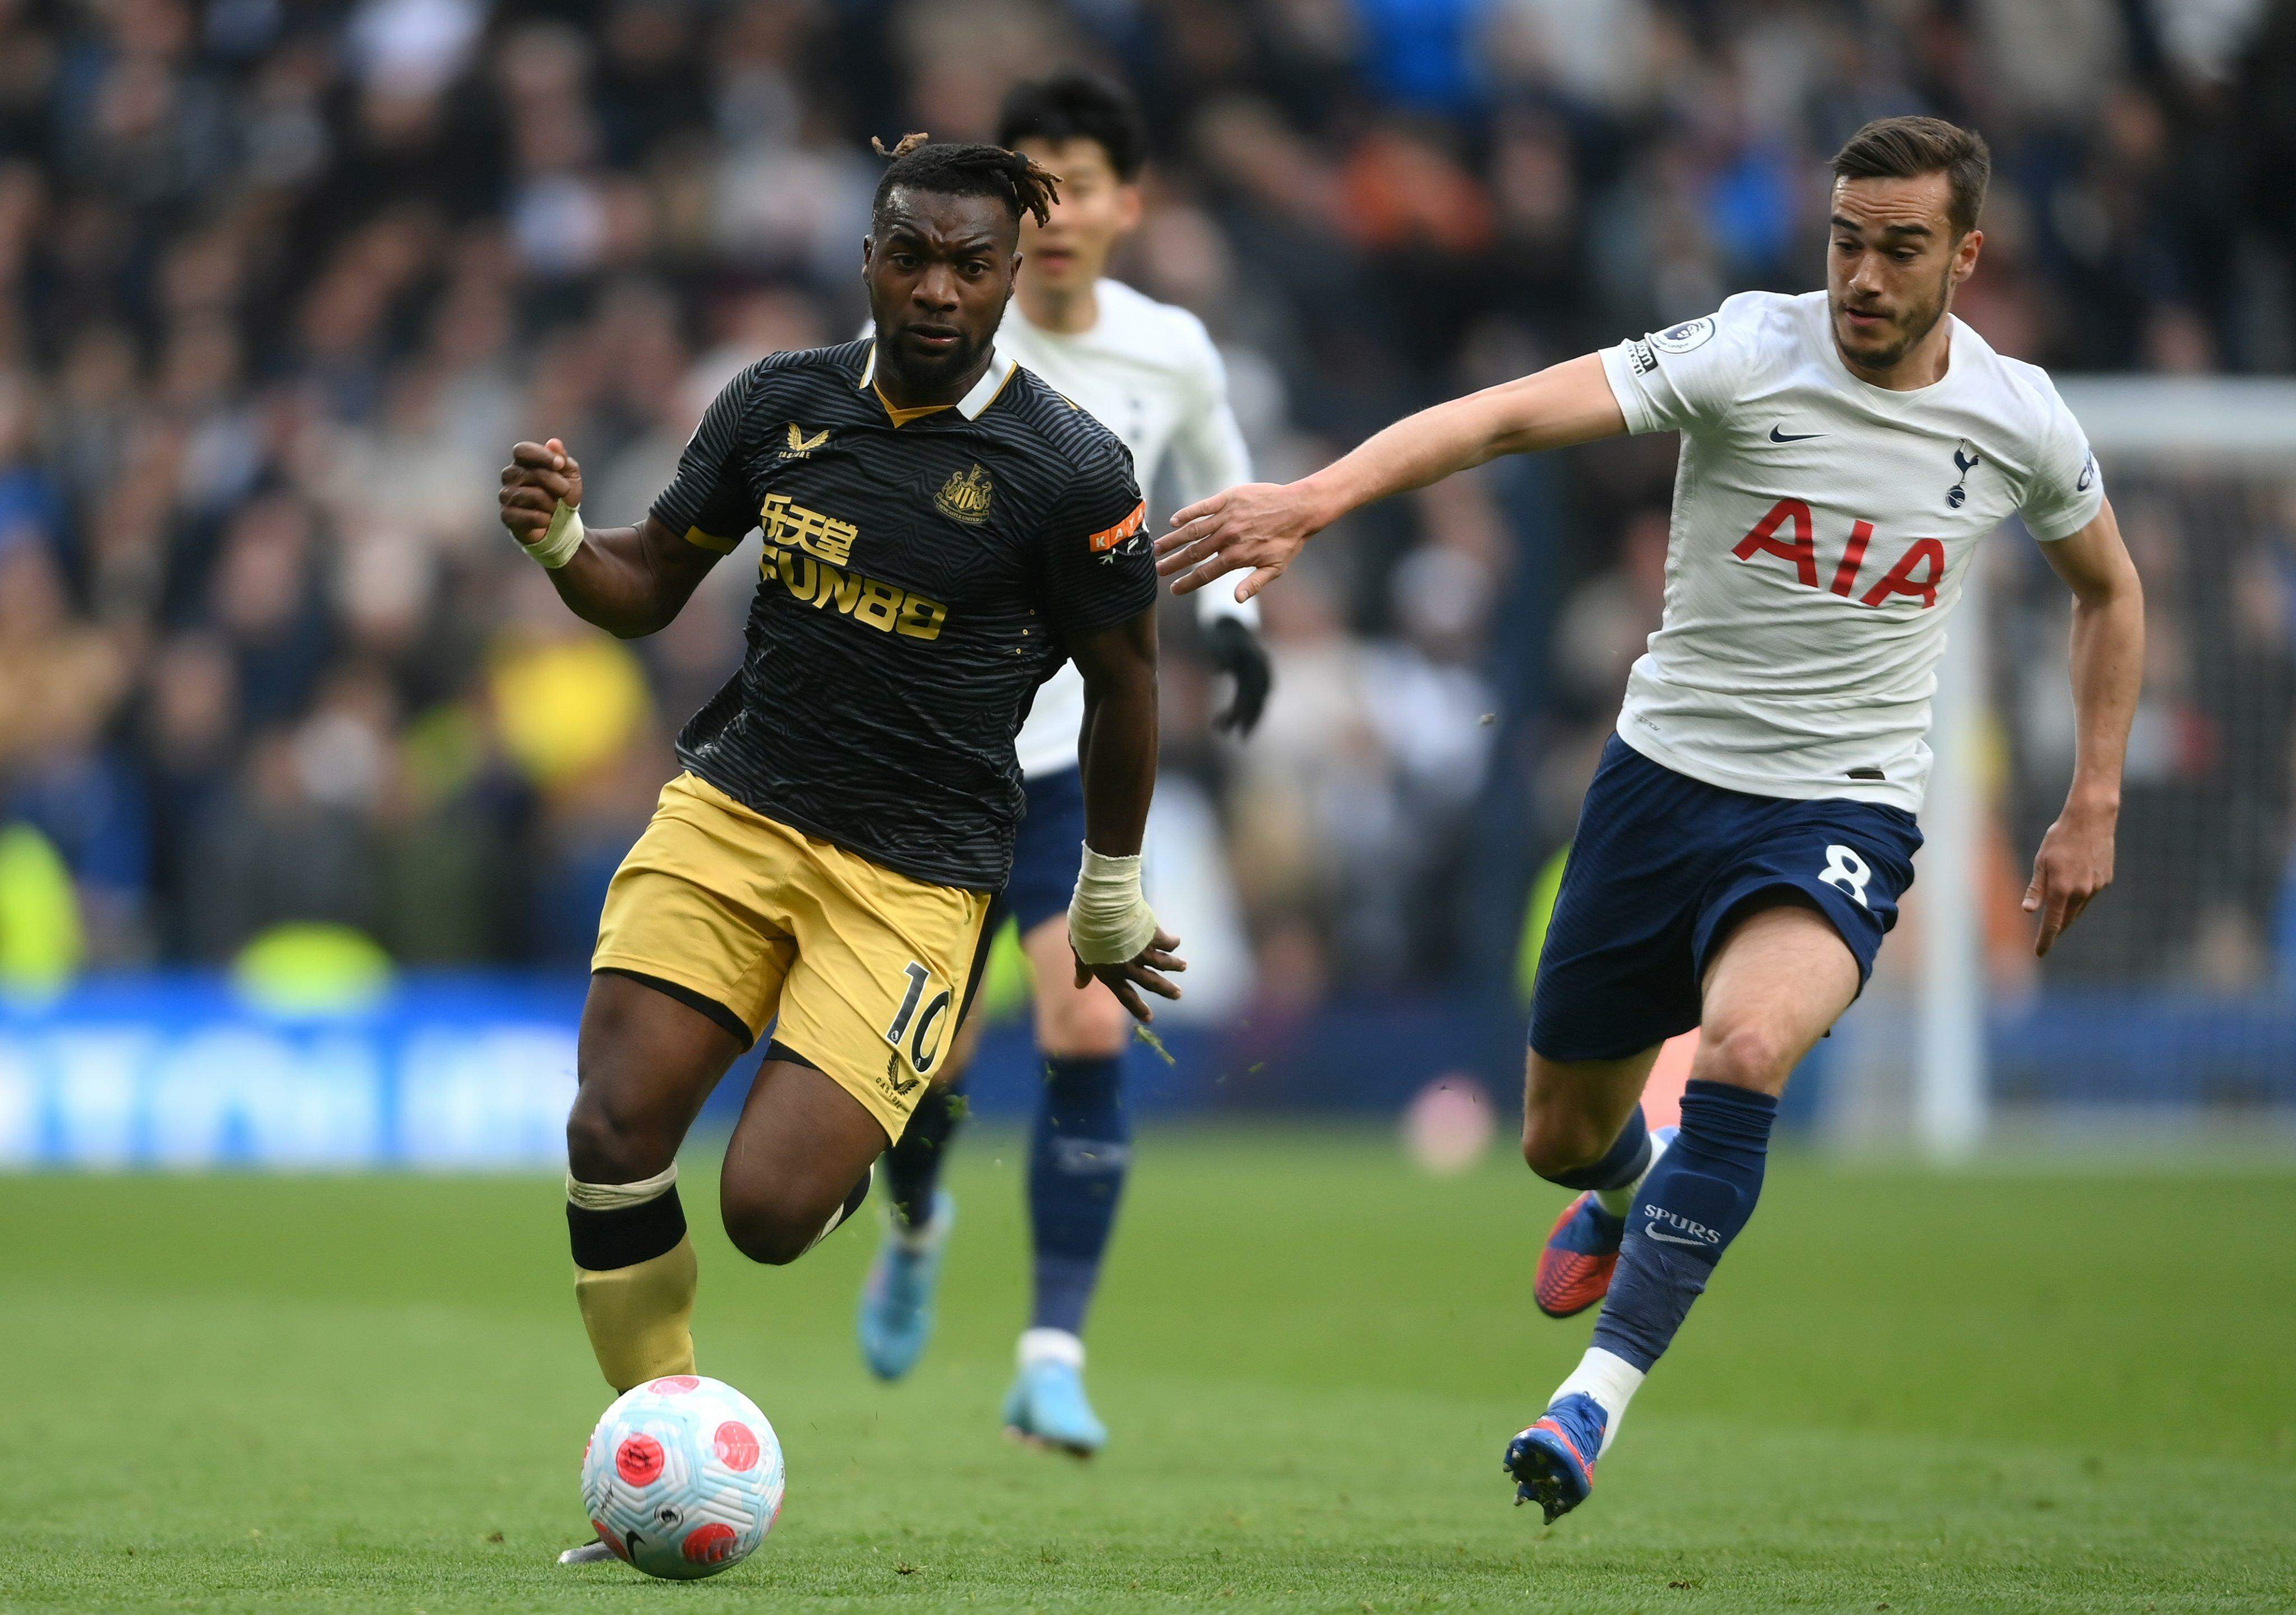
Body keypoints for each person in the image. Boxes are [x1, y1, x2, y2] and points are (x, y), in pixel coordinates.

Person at [1155, 115, 2143, 1521]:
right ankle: (1623, 1196)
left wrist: (2088, 797)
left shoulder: (2019, 420)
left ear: (1964, 257)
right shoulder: (1746, 350)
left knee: (1743, 1046)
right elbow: (1501, 417)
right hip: (1659, 784)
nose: (1862, 274)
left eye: (1900, 249)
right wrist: (1313, 501)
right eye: (1845, 240)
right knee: (1558, 1136)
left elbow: (2109, 590)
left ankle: (1589, 1402)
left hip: (1838, 805)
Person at [497, 135, 1183, 1565]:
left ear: (1009, 277)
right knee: (611, 1130)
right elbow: (652, 576)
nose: (938, 290)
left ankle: (875, 1129)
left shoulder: (1067, 467)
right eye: (911, 257)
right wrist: (568, 544)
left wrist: (1106, 891)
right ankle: (664, 1452)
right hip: (736, 814)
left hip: (917, 874)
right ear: (867, 258)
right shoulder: (777, 403)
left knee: (765, 1211)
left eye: (970, 265)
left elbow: (1127, 685)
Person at [853, 73, 1271, 1458]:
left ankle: (1050, 1352)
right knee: (919, 1074)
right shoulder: (939, 341)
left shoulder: (1173, 355)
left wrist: (1233, 622)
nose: (1059, 211)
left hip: (1071, 763)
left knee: (1088, 1022)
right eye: (1033, 186)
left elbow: (1223, 490)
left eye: (1082, 182)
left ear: (1125, 204)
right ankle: (917, 1227)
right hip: (925, 757)